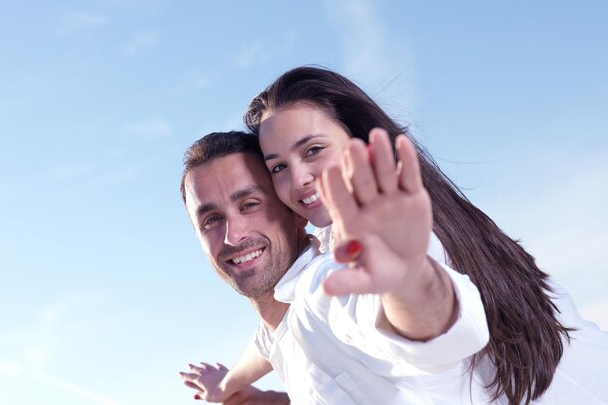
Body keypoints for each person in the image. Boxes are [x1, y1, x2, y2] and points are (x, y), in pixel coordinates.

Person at [237, 66, 608, 404]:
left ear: (362, 143)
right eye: (279, 167)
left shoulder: (376, 248)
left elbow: (419, 321)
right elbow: (272, 339)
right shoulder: (458, 220)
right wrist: (244, 389)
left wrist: (409, 280)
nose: (298, 178)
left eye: (313, 150)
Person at [178, 130, 489, 404]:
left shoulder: (325, 288)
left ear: (295, 211)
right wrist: (233, 387)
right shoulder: (280, 321)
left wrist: (408, 281)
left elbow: (422, 326)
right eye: (212, 220)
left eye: (249, 205)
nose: (233, 235)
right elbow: (267, 344)